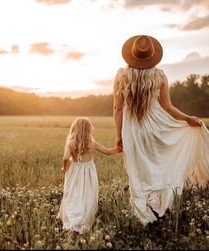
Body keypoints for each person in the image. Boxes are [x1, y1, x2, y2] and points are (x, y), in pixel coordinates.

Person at [113, 35, 209, 225]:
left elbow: (117, 108)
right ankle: (160, 206)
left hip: (132, 130)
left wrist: (118, 135)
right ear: (152, 56)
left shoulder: (121, 76)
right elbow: (168, 108)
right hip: (156, 127)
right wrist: (188, 119)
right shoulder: (159, 75)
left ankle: (144, 208)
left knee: (138, 169)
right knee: (157, 165)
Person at [57, 117, 121, 233]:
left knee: (73, 193)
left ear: (74, 129)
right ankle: (84, 217)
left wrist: (64, 167)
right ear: (88, 130)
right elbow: (108, 152)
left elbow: (66, 157)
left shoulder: (71, 143)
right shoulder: (93, 144)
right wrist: (119, 149)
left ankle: (72, 216)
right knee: (88, 194)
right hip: (89, 173)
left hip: (75, 172)